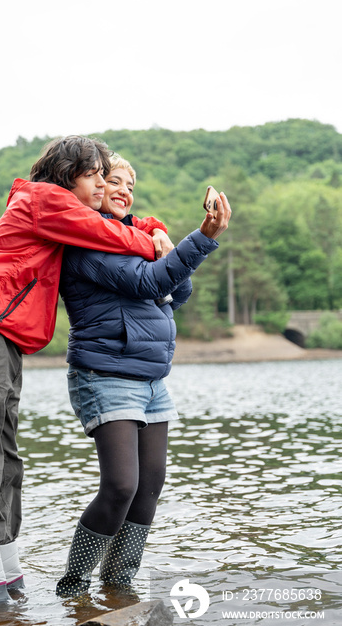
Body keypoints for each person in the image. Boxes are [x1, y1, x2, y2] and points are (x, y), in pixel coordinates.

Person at [0, 136, 172, 605]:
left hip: (0, 335)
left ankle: (4, 582)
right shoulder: (46, 199)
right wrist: (155, 239)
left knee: (2, 457)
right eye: (95, 176)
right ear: (69, 173)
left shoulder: (55, 208)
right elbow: (111, 232)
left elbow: (119, 218)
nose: (102, 185)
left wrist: (152, 225)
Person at [56, 155, 231, 597]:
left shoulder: (136, 234)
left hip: (152, 379)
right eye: (113, 181)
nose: (123, 190)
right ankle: (73, 586)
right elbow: (153, 285)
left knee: (149, 486)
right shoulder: (85, 240)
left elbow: (180, 289)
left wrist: (170, 249)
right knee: (121, 485)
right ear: (94, 188)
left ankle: (118, 585)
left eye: (130, 185)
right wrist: (201, 239)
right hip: (105, 373)